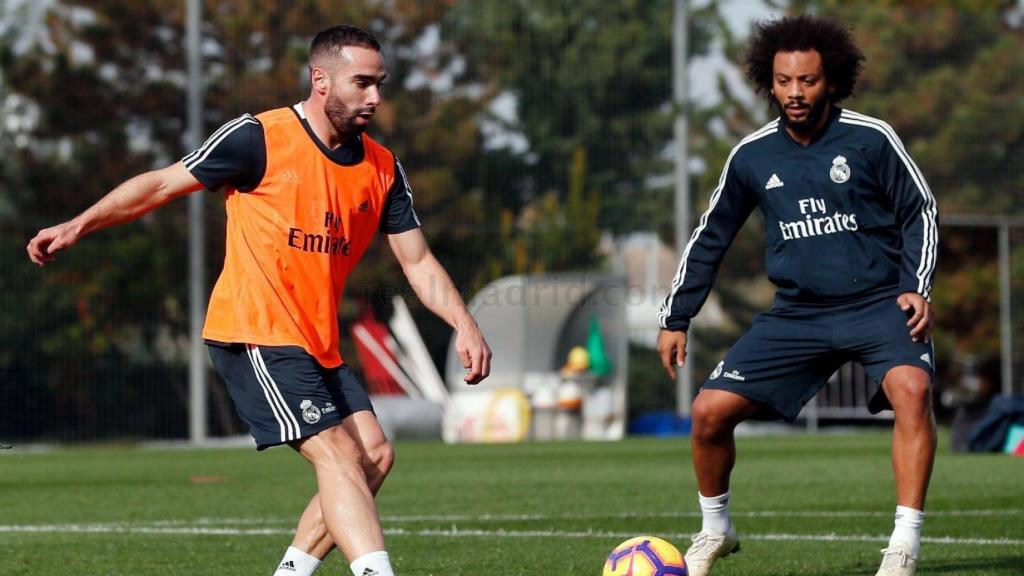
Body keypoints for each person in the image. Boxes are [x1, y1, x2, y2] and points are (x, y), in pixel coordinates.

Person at [27, 24, 492, 576]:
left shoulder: (383, 168)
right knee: (340, 457)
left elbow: (416, 261)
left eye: (380, 83)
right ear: (321, 80)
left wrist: (464, 323)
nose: (376, 97)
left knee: (373, 456)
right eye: (362, 83)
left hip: (316, 342)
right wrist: (81, 224)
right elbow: (158, 185)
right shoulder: (258, 137)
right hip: (253, 332)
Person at [656, 15, 937, 576]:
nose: (794, 93)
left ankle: (903, 545)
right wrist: (676, 316)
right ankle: (717, 530)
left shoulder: (871, 137)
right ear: (769, 81)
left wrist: (915, 287)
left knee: (912, 387)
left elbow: (920, 210)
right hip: (798, 315)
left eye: (806, 80)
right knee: (708, 412)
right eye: (784, 81)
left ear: (830, 80)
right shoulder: (752, 155)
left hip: (878, 303)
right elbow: (711, 236)